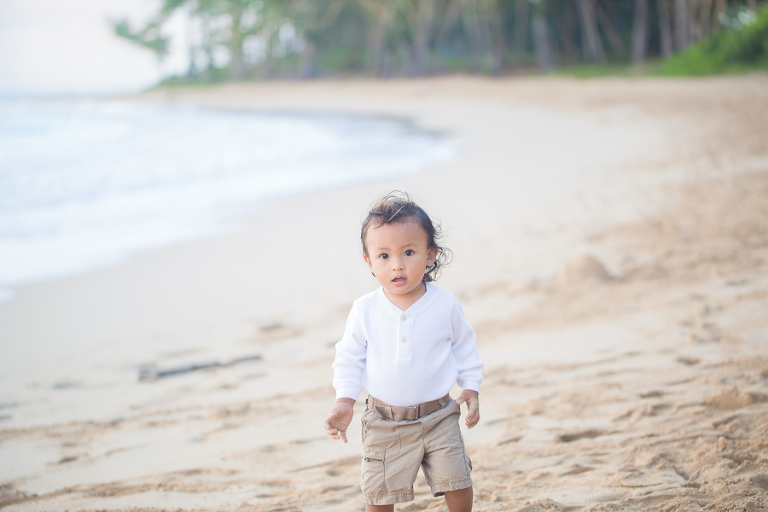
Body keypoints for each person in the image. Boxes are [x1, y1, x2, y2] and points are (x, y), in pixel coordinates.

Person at [323, 191, 484, 512]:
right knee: (379, 494)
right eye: (384, 256)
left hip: (440, 416)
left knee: (457, 481)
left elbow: (465, 346)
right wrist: (345, 400)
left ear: (429, 255)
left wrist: (471, 386)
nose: (397, 265)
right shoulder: (365, 309)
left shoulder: (444, 304)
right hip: (384, 421)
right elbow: (350, 358)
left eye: (408, 252)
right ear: (368, 261)